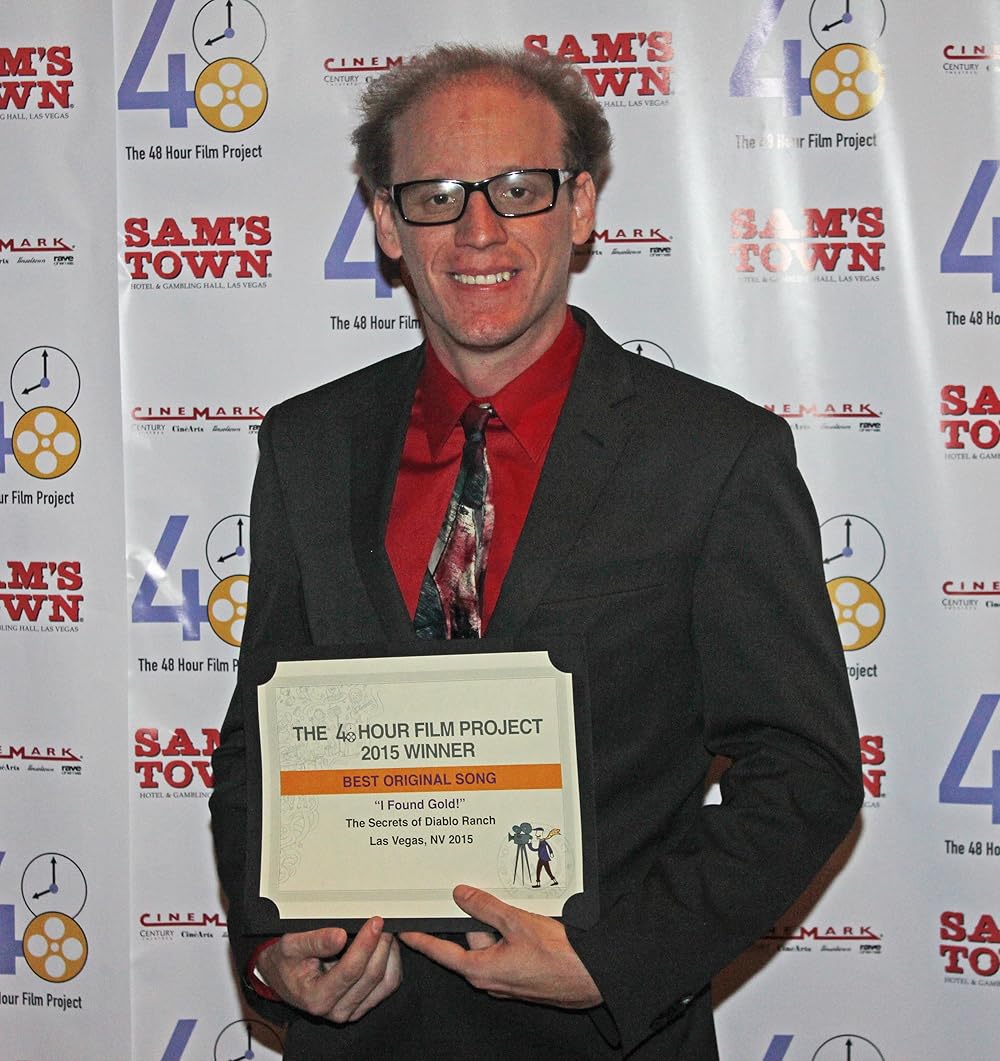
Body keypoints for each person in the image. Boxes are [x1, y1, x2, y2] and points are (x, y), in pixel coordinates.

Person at [210, 43, 862, 1060]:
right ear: (386, 222)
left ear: (581, 205)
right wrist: (269, 948)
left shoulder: (714, 455)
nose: (479, 230)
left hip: (600, 1040)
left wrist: (616, 955)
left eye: (519, 189)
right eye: (435, 196)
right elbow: (260, 742)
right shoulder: (307, 446)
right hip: (362, 1038)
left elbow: (805, 768)